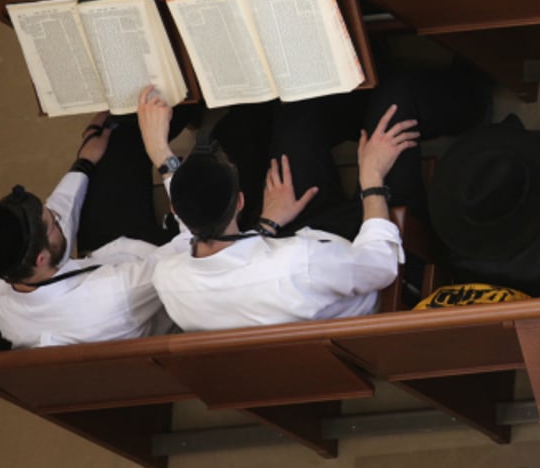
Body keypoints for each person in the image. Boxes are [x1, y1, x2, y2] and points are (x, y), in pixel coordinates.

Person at [144, 85, 416, 331]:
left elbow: (190, 240)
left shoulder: (168, 278)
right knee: (394, 105)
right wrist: (371, 179)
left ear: (176, 212)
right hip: (354, 258)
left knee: (298, 111)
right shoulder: (299, 264)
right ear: (240, 202)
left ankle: (356, 103)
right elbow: (380, 265)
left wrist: (266, 226)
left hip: (286, 236)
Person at [0, 112, 187, 348]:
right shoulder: (112, 294)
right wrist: (165, 160)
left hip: (106, 254)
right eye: (53, 222)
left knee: (116, 137)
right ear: (41, 258)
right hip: (160, 263)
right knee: (208, 176)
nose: (58, 215)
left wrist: (84, 163)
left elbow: (57, 221)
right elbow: (194, 242)